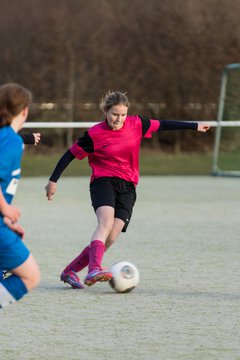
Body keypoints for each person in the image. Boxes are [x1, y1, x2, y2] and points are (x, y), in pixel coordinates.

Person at [45, 91, 210, 289]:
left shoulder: (137, 124)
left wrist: (194, 126)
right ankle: (94, 269)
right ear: (106, 111)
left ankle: (70, 271)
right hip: (103, 181)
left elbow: (164, 124)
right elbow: (69, 155)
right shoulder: (94, 134)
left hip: (128, 187)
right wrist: (53, 180)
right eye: (115, 114)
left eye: (123, 115)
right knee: (105, 223)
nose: (119, 119)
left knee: (111, 237)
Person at [0, 83, 40, 308]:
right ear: (24, 110)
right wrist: (6, 210)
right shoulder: (11, 140)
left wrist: (5, 218)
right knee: (30, 276)